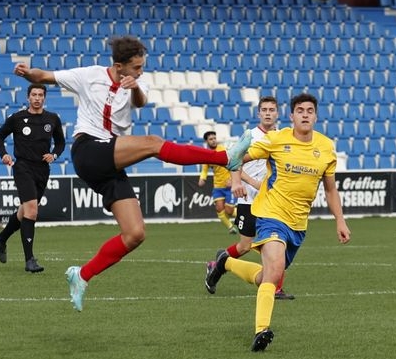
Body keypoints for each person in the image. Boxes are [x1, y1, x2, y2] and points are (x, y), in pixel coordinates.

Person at [13, 36, 252, 311]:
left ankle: (82, 275)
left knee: (135, 233)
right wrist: (28, 72)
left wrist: (135, 85)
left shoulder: (138, 80)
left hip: (110, 162)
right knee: (152, 143)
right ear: (118, 65)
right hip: (88, 150)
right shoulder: (89, 75)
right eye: (136, 67)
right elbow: (45, 76)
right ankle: (224, 158)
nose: (140, 71)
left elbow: (140, 101)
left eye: (141, 67)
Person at [204, 93, 351, 352]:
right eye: (300, 110)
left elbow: (330, 190)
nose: (305, 114)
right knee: (273, 272)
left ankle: (226, 262)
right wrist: (236, 179)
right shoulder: (275, 139)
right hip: (270, 214)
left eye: (310, 110)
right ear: (292, 116)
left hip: (298, 224)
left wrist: (340, 220)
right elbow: (238, 157)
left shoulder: (326, 147)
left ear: (316, 116)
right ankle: (262, 331)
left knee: (265, 277)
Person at [205, 95, 294, 300]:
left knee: (278, 242)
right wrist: (248, 183)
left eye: (272, 110)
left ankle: (276, 288)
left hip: (271, 202)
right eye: (264, 110)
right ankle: (216, 264)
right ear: (259, 113)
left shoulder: (282, 137)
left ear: (277, 113)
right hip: (249, 200)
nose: (268, 113)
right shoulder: (250, 136)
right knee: (244, 246)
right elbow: (235, 161)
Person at [0, 83, 66, 273]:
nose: (37, 98)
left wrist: (54, 155)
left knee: (24, 211)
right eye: (34, 94)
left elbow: (61, 142)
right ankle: (30, 260)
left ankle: (2, 238)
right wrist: (4, 154)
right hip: (23, 167)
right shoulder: (17, 118)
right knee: (32, 211)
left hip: (42, 169)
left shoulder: (52, 119)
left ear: (44, 98)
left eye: (41, 95)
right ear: (28, 97)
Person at [198, 130, 238, 234]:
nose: (213, 141)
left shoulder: (223, 150)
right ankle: (230, 227)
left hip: (229, 186)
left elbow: (233, 164)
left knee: (229, 211)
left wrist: (232, 179)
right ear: (207, 141)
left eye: (214, 138)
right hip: (218, 187)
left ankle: (247, 217)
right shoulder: (206, 155)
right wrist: (202, 178)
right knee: (219, 208)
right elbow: (205, 169)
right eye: (210, 139)